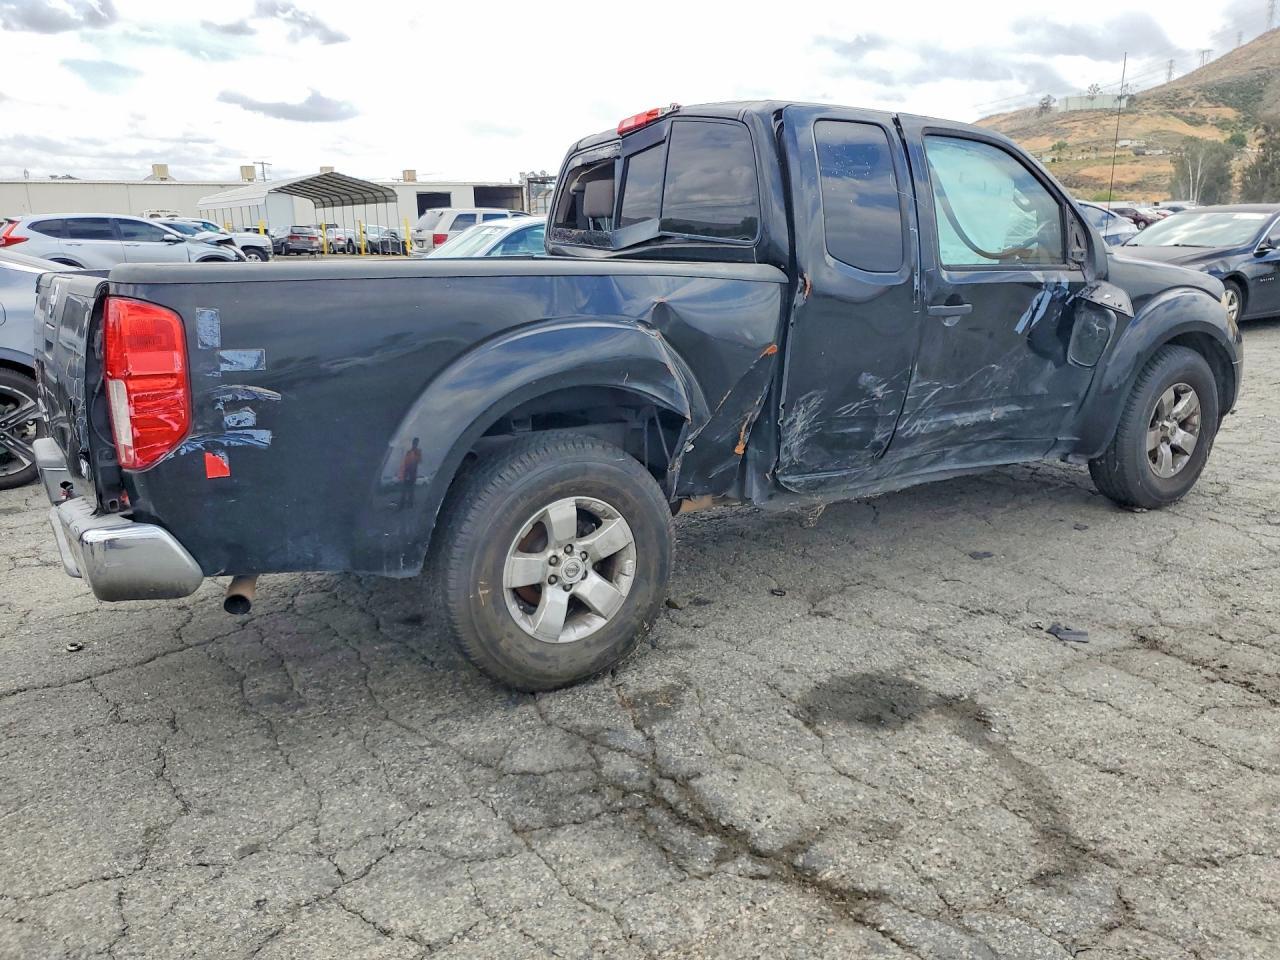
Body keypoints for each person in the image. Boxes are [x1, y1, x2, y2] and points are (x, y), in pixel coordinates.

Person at [398, 438, 422, 510]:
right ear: (413, 443)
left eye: (416, 443)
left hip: (412, 474)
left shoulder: (418, 452)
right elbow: (405, 462)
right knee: (404, 490)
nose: (415, 444)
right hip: (407, 473)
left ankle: (410, 504)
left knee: (411, 490)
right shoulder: (409, 452)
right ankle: (402, 504)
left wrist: (415, 454)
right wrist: (404, 472)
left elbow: (419, 461)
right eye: (414, 442)